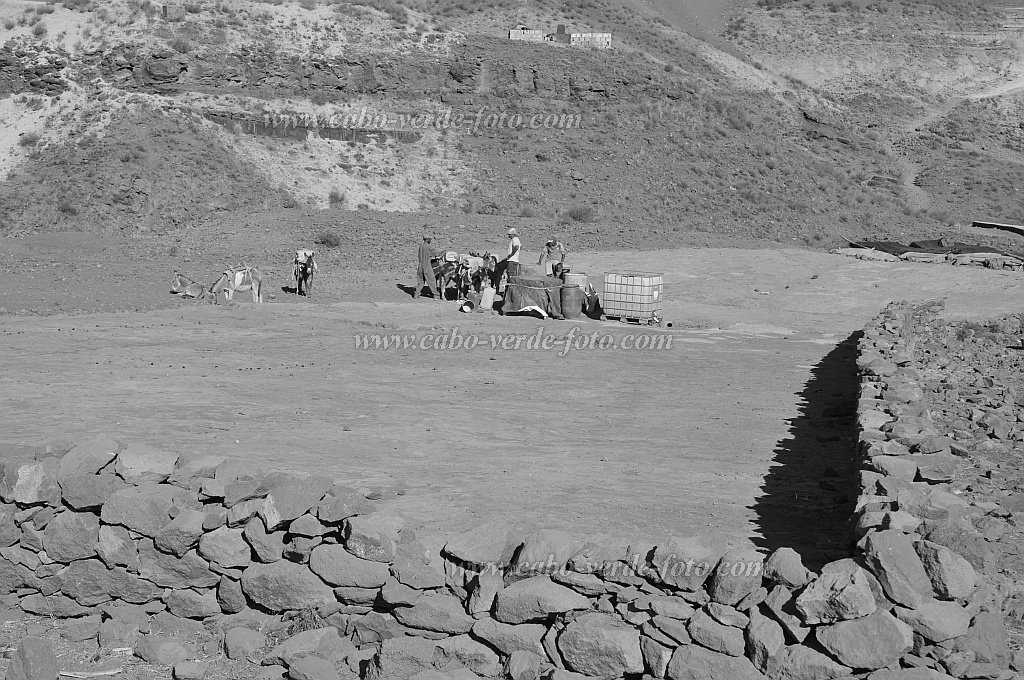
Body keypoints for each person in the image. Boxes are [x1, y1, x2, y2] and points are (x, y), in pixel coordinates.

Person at [414, 234, 440, 299]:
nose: (431, 240)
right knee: (432, 280)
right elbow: (436, 254)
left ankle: (416, 293)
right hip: (427, 266)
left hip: (420, 266)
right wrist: (443, 252)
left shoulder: (421, 246)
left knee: (421, 281)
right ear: (428, 239)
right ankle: (436, 295)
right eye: (430, 239)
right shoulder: (429, 247)